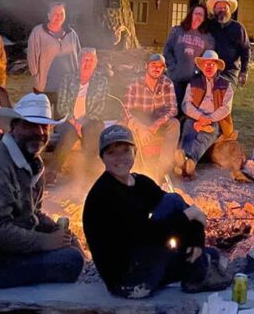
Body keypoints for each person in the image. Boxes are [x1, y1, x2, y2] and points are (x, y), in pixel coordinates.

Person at [0, 93, 84, 289]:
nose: (39, 133)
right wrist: (45, 242)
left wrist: (58, 232)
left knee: (70, 250)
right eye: (30, 126)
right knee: (70, 260)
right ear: (14, 127)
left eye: (44, 127)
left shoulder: (31, 163)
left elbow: (32, 213)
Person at [83, 124, 230, 298]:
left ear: (134, 152)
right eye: (111, 153)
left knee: (172, 200)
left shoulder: (140, 183)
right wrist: (188, 216)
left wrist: (196, 240)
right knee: (205, 258)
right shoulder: (104, 194)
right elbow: (146, 235)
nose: (119, 158)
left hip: (143, 254)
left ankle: (197, 264)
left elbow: (174, 208)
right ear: (103, 158)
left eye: (125, 150)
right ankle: (197, 272)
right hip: (128, 279)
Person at [177, 50, 235, 179]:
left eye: (212, 64)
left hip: (214, 119)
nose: (208, 67)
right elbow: (186, 104)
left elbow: (226, 108)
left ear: (217, 67)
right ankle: (183, 159)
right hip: (195, 117)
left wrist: (208, 119)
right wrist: (199, 117)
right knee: (189, 132)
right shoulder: (193, 83)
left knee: (205, 136)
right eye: (206, 64)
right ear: (202, 66)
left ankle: (191, 161)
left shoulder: (226, 85)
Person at [51, 47, 109, 173]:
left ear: (95, 63)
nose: (87, 63)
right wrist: (74, 122)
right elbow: (61, 105)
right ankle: (53, 171)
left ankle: (88, 172)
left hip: (90, 120)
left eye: (91, 60)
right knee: (69, 134)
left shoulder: (101, 81)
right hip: (68, 120)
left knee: (92, 131)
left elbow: (100, 107)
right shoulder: (68, 79)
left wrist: (82, 123)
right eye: (84, 60)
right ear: (78, 62)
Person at [122, 54, 180, 176]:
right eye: (153, 65)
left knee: (175, 124)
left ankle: (163, 169)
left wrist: (156, 124)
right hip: (140, 119)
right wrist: (141, 127)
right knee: (127, 126)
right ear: (146, 66)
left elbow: (173, 109)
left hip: (158, 121)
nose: (157, 68)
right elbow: (125, 110)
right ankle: (135, 169)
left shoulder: (166, 83)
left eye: (160, 66)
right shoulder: (135, 84)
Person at [27, 2, 82, 109]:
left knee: (61, 117)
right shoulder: (38, 32)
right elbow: (31, 55)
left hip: (67, 85)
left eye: (61, 14)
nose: (59, 17)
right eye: (55, 14)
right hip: (46, 84)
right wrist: (36, 75)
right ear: (48, 15)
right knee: (43, 116)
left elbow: (79, 55)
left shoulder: (71, 34)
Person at [163, 4, 215, 116]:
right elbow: (167, 50)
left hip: (193, 81)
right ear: (191, 14)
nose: (198, 16)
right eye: (196, 13)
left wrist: (198, 72)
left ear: (204, 18)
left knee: (188, 111)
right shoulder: (177, 31)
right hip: (175, 77)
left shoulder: (207, 38)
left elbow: (208, 59)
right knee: (173, 109)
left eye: (201, 15)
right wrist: (172, 67)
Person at [206, 0, 250, 87]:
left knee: (223, 94)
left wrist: (244, 71)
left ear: (230, 10)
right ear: (214, 10)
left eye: (225, 8)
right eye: (219, 7)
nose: (222, 10)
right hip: (208, 69)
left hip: (230, 71)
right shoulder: (207, 26)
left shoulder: (238, 28)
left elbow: (245, 50)